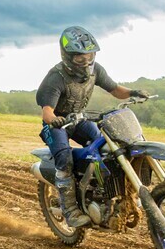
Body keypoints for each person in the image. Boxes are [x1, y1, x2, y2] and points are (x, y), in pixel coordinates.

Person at [36, 26, 150, 227]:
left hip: (79, 120)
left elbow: (115, 89)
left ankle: (106, 191)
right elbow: (47, 111)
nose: (86, 61)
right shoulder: (55, 77)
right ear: (68, 56)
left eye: (90, 55)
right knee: (65, 158)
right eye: (80, 58)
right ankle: (70, 210)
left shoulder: (96, 70)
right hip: (57, 124)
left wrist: (133, 92)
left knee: (107, 147)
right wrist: (54, 120)